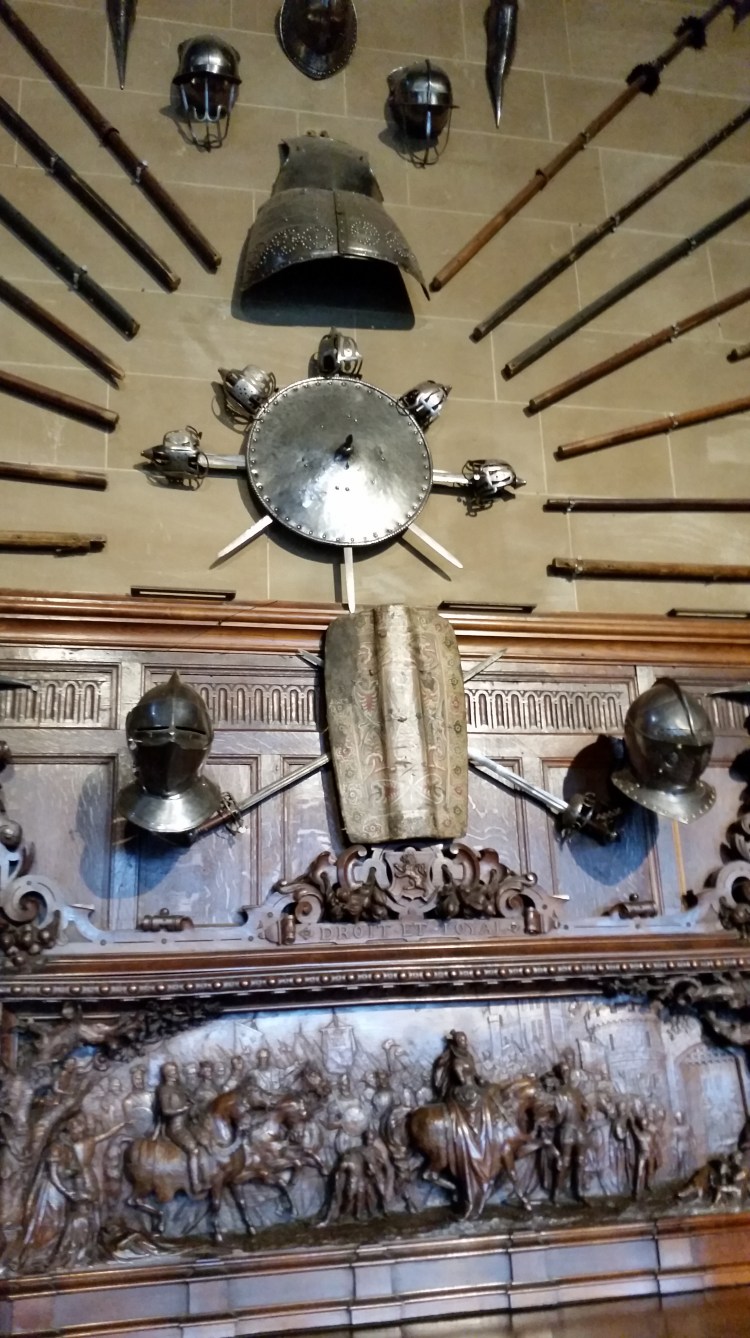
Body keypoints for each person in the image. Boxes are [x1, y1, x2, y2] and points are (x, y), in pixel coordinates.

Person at [156, 1061, 203, 1194]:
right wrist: (182, 1109)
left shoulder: (180, 1087)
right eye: (173, 1072)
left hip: (188, 1124)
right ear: (167, 1074)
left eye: (176, 1071)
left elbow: (190, 1101)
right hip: (175, 1127)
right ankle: (195, 1183)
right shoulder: (164, 1089)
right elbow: (166, 1110)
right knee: (193, 1149)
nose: (176, 1074)